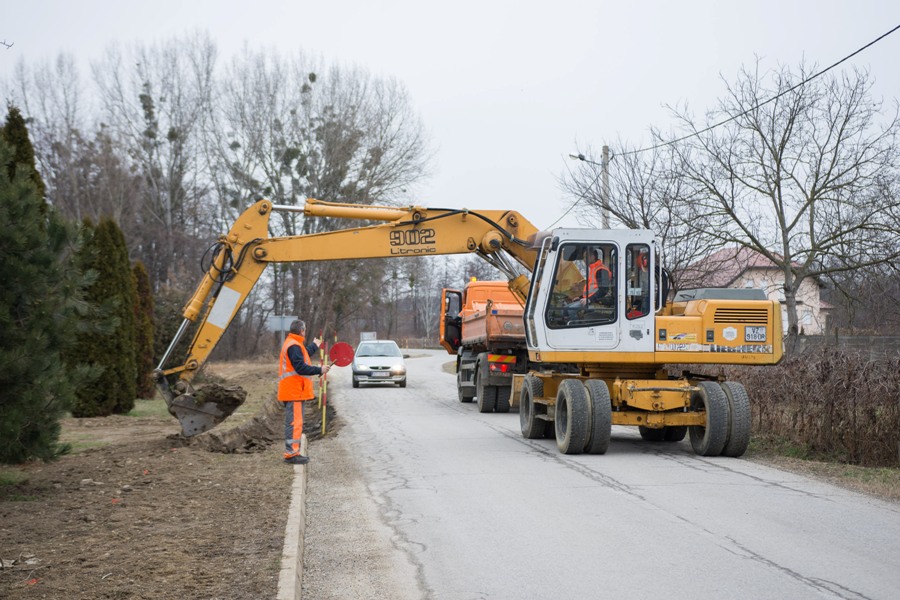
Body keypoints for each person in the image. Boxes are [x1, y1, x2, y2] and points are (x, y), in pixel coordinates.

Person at [279, 319, 330, 465]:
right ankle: (291, 454)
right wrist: (319, 370)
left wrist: (314, 346)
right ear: (302, 331)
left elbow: (303, 355)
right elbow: (301, 367)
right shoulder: (294, 345)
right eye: (305, 329)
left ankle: (293, 452)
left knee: (295, 422)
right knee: (294, 423)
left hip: (294, 391)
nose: (305, 332)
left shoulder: (294, 344)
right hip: (294, 391)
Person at [565, 248, 613, 319]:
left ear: (593, 257)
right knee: (566, 308)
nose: (584, 259)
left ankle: (576, 327)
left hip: (597, 301)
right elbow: (592, 289)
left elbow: (604, 290)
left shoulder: (601, 270)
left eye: (585, 257)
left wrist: (589, 299)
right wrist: (581, 297)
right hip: (590, 299)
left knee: (571, 310)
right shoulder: (593, 269)